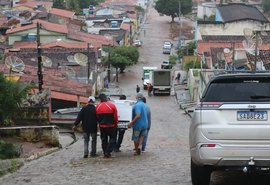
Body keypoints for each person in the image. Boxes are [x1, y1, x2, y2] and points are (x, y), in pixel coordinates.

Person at [96, 93, 118, 158]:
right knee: (113, 138)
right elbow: (115, 117)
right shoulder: (112, 106)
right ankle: (108, 151)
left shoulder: (97, 107)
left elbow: (97, 117)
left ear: (100, 99)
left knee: (103, 139)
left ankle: (105, 152)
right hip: (111, 125)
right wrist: (116, 124)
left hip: (102, 126)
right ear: (106, 98)